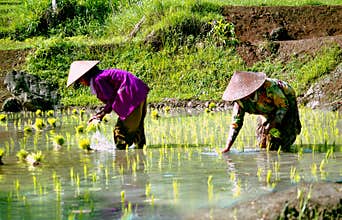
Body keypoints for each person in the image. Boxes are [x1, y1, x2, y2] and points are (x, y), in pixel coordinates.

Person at [67, 60, 150, 150]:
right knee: (137, 128)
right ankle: (141, 157)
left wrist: (101, 115)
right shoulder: (102, 75)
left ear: (84, 77)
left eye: (80, 81)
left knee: (121, 132)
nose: (82, 84)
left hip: (130, 94)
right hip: (139, 91)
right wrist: (101, 114)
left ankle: (122, 160)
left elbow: (111, 98)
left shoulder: (98, 79)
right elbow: (111, 99)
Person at [221, 71, 301, 153]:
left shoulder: (269, 87)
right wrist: (227, 147)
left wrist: (274, 123)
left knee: (285, 137)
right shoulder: (240, 103)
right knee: (263, 142)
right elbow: (236, 123)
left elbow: (283, 106)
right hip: (265, 109)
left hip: (285, 102)